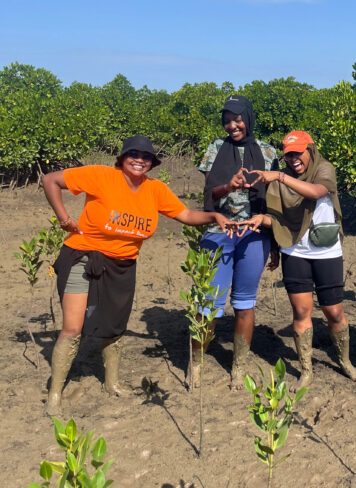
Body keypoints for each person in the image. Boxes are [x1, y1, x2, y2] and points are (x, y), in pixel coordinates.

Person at [43, 135, 234, 416]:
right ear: (122, 157)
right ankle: (55, 394)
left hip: (123, 264)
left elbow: (185, 215)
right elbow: (51, 180)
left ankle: (112, 383)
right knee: (73, 327)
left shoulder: (154, 189)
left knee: (115, 324)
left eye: (146, 157)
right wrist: (64, 218)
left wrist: (214, 217)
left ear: (152, 163)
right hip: (84, 256)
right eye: (133, 154)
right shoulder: (100, 175)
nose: (139, 160)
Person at [239, 130, 356, 389]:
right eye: (289, 155)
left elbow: (316, 192)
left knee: (334, 311)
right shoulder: (282, 182)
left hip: (327, 252)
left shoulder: (324, 169)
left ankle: (345, 361)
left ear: (311, 151)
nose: (294, 159)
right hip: (295, 251)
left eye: (298, 153)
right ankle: (306, 370)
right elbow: (282, 221)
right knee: (302, 311)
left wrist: (280, 176)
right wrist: (263, 220)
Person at [197, 95, 278, 389]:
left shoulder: (268, 151)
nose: (232, 126)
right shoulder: (215, 149)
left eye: (238, 119)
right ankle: (196, 366)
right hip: (219, 231)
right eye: (227, 121)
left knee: (244, 303)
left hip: (255, 234)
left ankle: (238, 366)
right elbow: (208, 194)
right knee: (208, 305)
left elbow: (274, 201)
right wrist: (228, 185)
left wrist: (276, 244)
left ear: (248, 116)